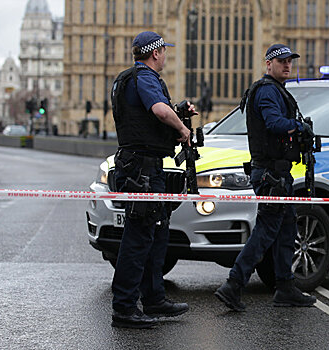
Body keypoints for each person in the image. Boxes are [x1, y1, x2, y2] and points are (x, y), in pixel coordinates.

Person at [214, 44, 316, 311]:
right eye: (281, 61)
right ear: (268, 64)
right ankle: (233, 285)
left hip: (278, 173)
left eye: (289, 61)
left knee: (286, 229)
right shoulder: (268, 91)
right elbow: (273, 123)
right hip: (271, 174)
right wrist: (299, 127)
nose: (287, 65)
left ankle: (285, 287)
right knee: (266, 230)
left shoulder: (276, 90)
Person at [110, 31, 196, 328]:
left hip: (143, 166)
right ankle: (124, 308)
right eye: (164, 50)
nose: (166, 55)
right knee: (138, 237)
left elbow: (149, 116)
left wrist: (179, 111)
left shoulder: (128, 78)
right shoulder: (144, 77)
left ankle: (154, 297)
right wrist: (183, 129)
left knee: (156, 232)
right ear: (155, 52)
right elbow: (159, 111)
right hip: (142, 170)